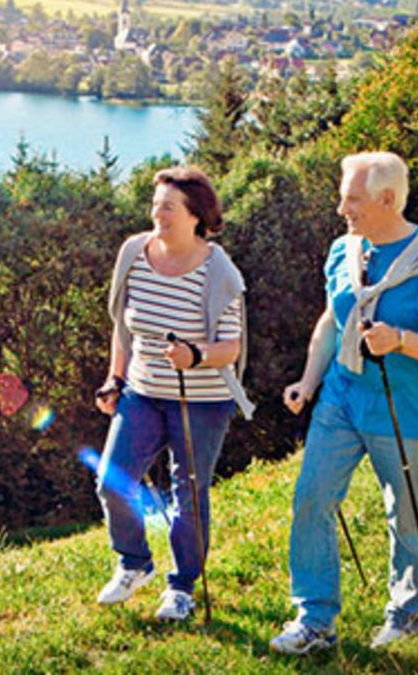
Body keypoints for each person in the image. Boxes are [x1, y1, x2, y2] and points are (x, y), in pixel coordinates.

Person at [270, 152, 418, 653]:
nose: (342, 209)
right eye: (343, 197)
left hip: (403, 408)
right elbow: (331, 320)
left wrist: (401, 339)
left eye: (352, 199)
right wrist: (308, 381)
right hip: (342, 396)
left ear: (387, 199)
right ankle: (315, 620)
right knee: (312, 498)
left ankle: (408, 613)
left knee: (405, 514)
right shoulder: (345, 252)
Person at [93, 166, 256, 621]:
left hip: (201, 400)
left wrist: (195, 355)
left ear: (195, 216)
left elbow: (231, 348)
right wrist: (115, 380)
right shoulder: (133, 253)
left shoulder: (219, 272)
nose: (157, 214)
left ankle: (182, 587)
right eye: (155, 205)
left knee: (188, 491)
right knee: (112, 480)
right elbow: (122, 328)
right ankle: (134, 563)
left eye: (167, 207)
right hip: (142, 393)